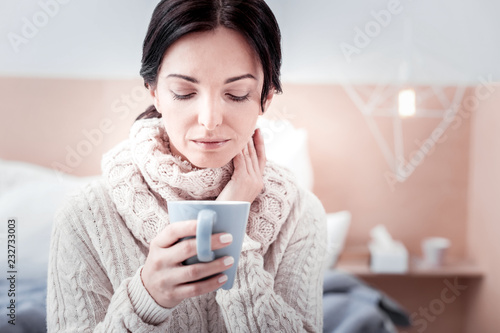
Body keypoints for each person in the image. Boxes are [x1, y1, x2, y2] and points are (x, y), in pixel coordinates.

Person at [47, 0, 327, 331]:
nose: (209, 121)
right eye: (183, 92)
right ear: (154, 91)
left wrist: (232, 234)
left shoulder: (299, 213)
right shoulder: (84, 217)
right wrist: (146, 299)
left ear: (265, 97)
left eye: (236, 94)